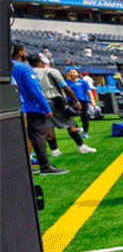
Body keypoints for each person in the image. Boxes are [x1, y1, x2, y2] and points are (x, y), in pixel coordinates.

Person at [12, 44, 66, 175]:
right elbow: (35, 90)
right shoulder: (24, 67)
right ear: (19, 52)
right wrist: (46, 108)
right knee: (38, 136)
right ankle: (45, 167)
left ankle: (26, 166)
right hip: (32, 107)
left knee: (20, 138)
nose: (25, 52)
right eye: (24, 50)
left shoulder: (6, 67)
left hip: (15, 107)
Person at [35, 56, 94, 156]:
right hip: (55, 101)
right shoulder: (51, 71)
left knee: (49, 126)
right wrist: (76, 100)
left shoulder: (31, 72)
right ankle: (81, 146)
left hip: (40, 102)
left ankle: (54, 150)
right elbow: (65, 87)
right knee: (70, 124)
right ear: (45, 63)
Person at [65, 68, 98, 138]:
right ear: (68, 74)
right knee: (68, 115)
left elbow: (89, 92)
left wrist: (92, 100)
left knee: (84, 116)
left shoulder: (83, 82)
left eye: (74, 72)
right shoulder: (65, 83)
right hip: (70, 101)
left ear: (78, 74)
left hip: (83, 101)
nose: (72, 73)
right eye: (70, 72)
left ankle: (85, 132)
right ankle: (77, 127)